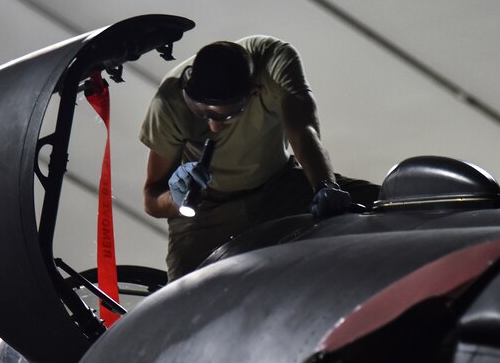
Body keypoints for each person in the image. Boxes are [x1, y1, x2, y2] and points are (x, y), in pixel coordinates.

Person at [140, 36, 378, 280]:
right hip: (208, 208)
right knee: (185, 299)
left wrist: (324, 186)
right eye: (201, 112)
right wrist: (176, 198)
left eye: (224, 116)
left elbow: (303, 129)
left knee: (391, 204)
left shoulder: (274, 62)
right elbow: (151, 200)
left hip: (280, 187)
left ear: (255, 92)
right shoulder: (169, 101)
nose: (212, 126)